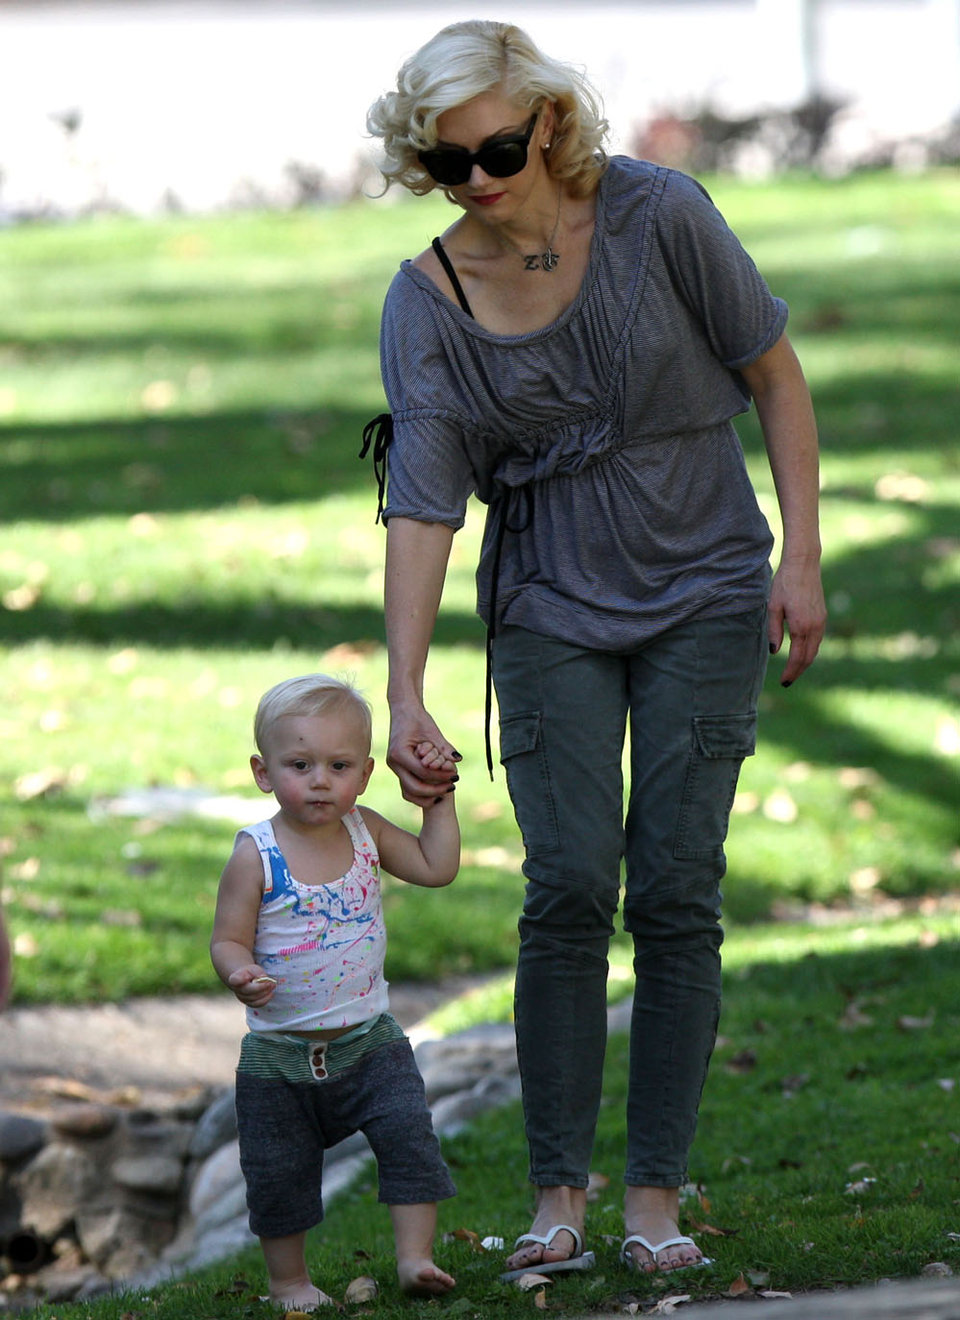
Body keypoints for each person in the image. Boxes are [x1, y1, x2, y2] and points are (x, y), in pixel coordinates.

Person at [364, 19, 826, 1281]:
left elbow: (776, 375)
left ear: (550, 121)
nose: (476, 179)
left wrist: (800, 557)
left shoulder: (662, 215)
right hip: (548, 601)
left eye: (497, 150)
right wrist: (404, 692)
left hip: (706, 586)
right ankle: (557, 1197)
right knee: (567, 886)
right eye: (446, 162)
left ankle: (655, 1197)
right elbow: (422, 503)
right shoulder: (427, 299)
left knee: (677, 891)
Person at [210, 674, 459, 1309]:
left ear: (366, 774)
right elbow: (228, 939)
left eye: (339, 766)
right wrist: (239, 972)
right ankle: (290, 1284)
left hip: (370, 1043)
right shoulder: (256, 854)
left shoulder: (366, 832)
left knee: (409, 1138)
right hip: (278, 1058)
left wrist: (438, 802)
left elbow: (436, 867)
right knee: (276, 1173)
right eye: (300, 765)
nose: (320, 781)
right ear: (263, 772)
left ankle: (416, 1259)